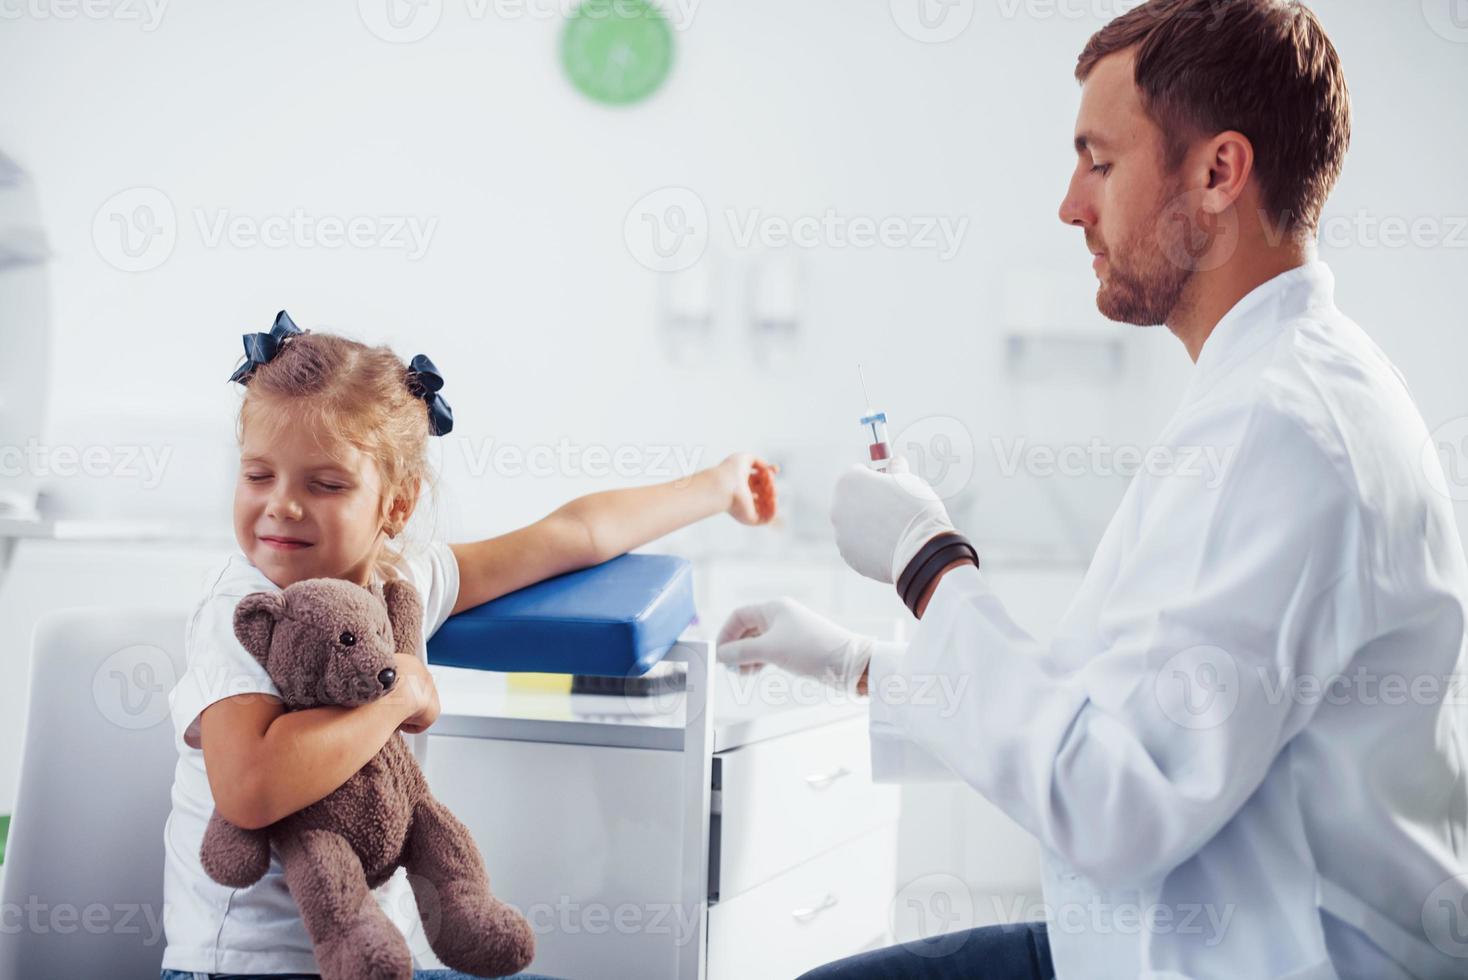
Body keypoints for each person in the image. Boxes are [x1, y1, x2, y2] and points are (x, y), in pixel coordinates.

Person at [717, 1, 1468, 977]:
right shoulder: (1279, 388)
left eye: (1099, 162)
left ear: (1216, 172)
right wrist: (854, 659)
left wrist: (927, 562)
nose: (1070, 205)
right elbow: (1098, 710)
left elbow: (1110, 796)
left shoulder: (1281, 428)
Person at [161, 313, 777, 978]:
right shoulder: (242, 608)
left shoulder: (406, 579)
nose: (282, 505)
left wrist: (717, 487)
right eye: (259, 476)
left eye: (326, 484)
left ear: (395, 505)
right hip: (239, 969)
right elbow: (248, 789)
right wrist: (396, 700)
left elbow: (574, 534)